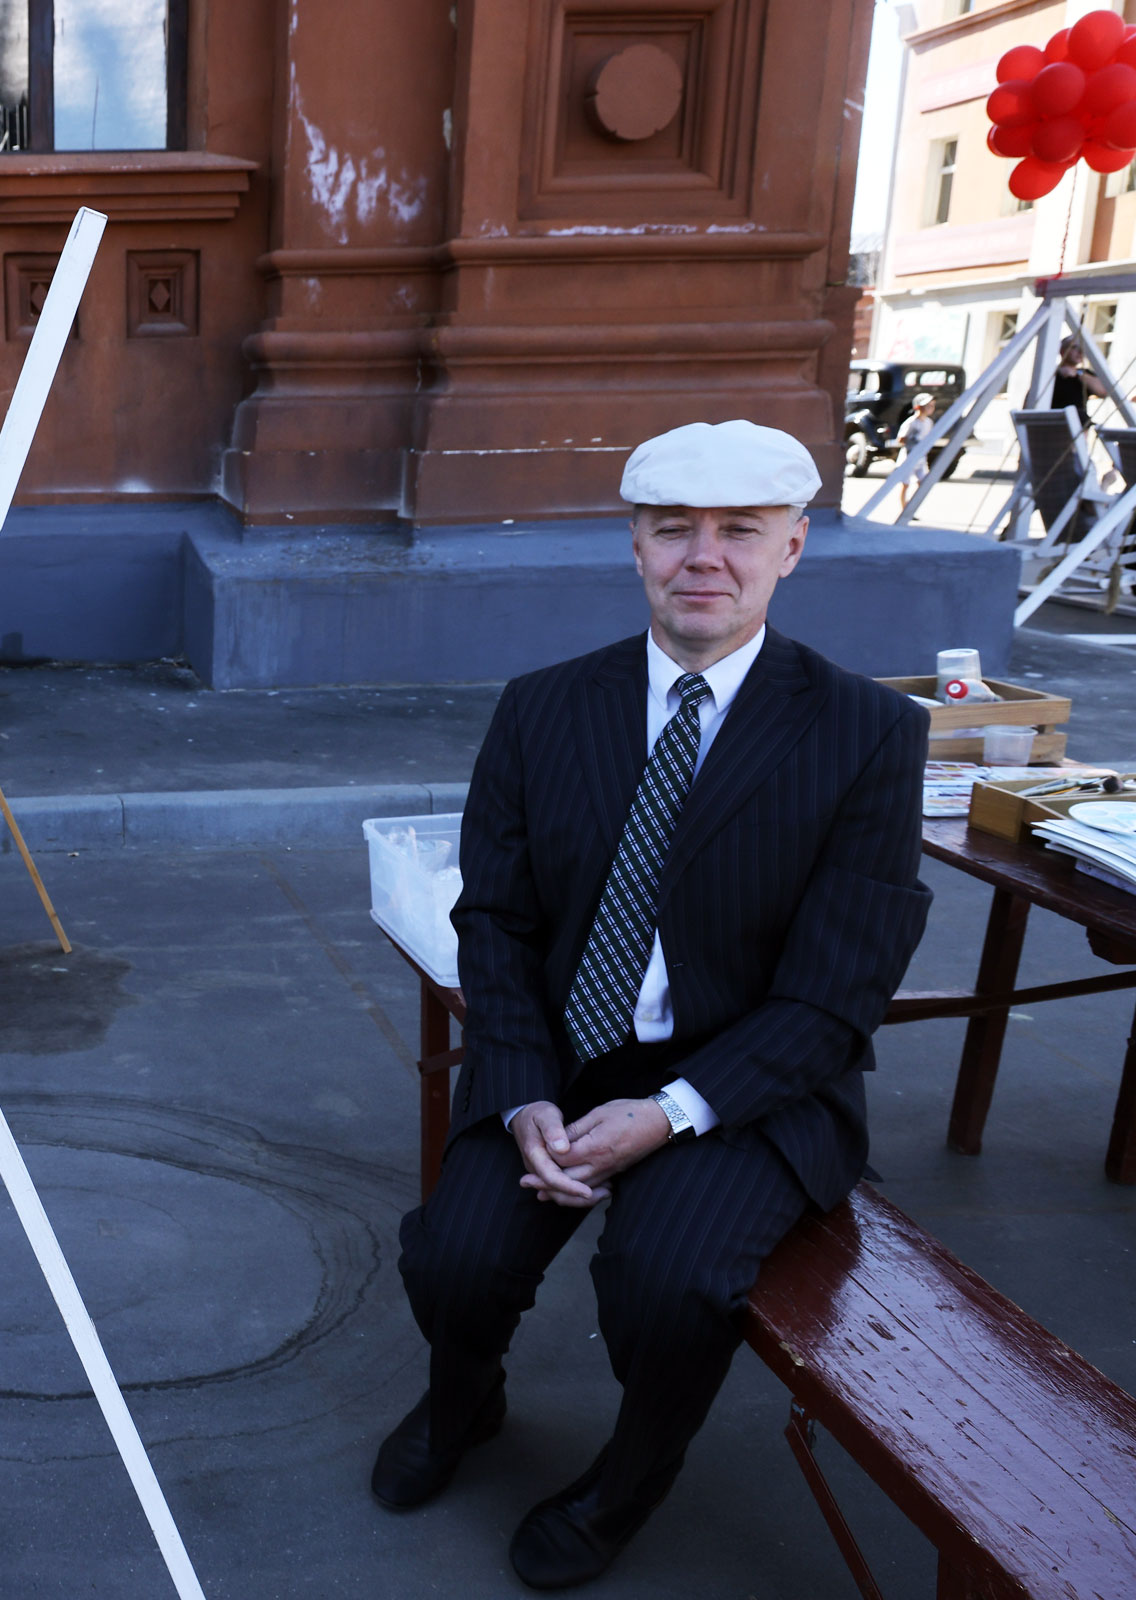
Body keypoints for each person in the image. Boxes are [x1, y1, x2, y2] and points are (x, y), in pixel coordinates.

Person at [369, 422, 931, 1588]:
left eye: (740, 532)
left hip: (745, 1077)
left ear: (793, 548)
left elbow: (839, 994)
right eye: (675, 528)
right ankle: (465, 1402)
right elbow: (499, 924)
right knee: (454, 1259)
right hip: (564, 1058)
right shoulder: (541, 709)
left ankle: (632, 1476)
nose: (704, 557)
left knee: (666, 1286)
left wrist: (673, 1111)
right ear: (635, 544)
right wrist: (520, 1087)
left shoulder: (867, 735)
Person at [1052, 335, 1108, 421]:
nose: (1080, 352)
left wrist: (1078, 374)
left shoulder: (1084, 373)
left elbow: (1103, 392)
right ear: (1062, 351)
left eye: (1082, 348)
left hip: (1077, 423)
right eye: (1074, 347)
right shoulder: (1051, 374)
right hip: (1052, 421)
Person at [895, 391, 938, 494]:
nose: (931, 408)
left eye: (932, 406)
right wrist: (913, 439)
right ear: (918, 407)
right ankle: (904, 507)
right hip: (909, 456)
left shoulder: (929, 422)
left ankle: (914, 505)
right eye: (928, 406)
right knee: (906, 484)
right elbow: (900, 439)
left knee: (923, 483)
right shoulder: (911, 422)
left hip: (921, 457)